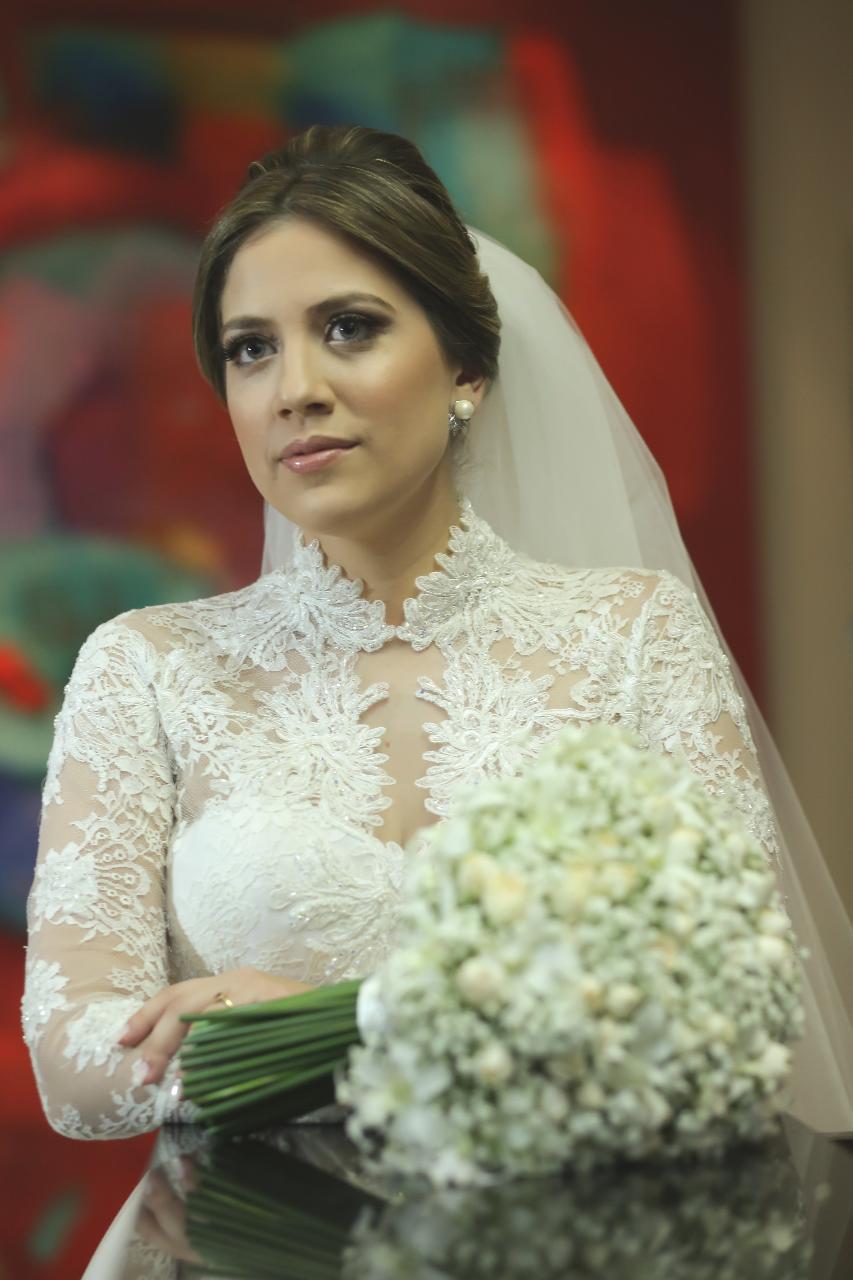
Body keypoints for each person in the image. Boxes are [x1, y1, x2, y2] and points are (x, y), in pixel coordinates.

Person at [22, 123, 853, 1143]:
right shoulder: (147, 668)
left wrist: (341, 1030)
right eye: (251, 349)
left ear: (465, 367)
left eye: (349, 328)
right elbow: (75, 1062)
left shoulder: (634, 633)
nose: (295, 389)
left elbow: (740, 1009)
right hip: (245, 1223)